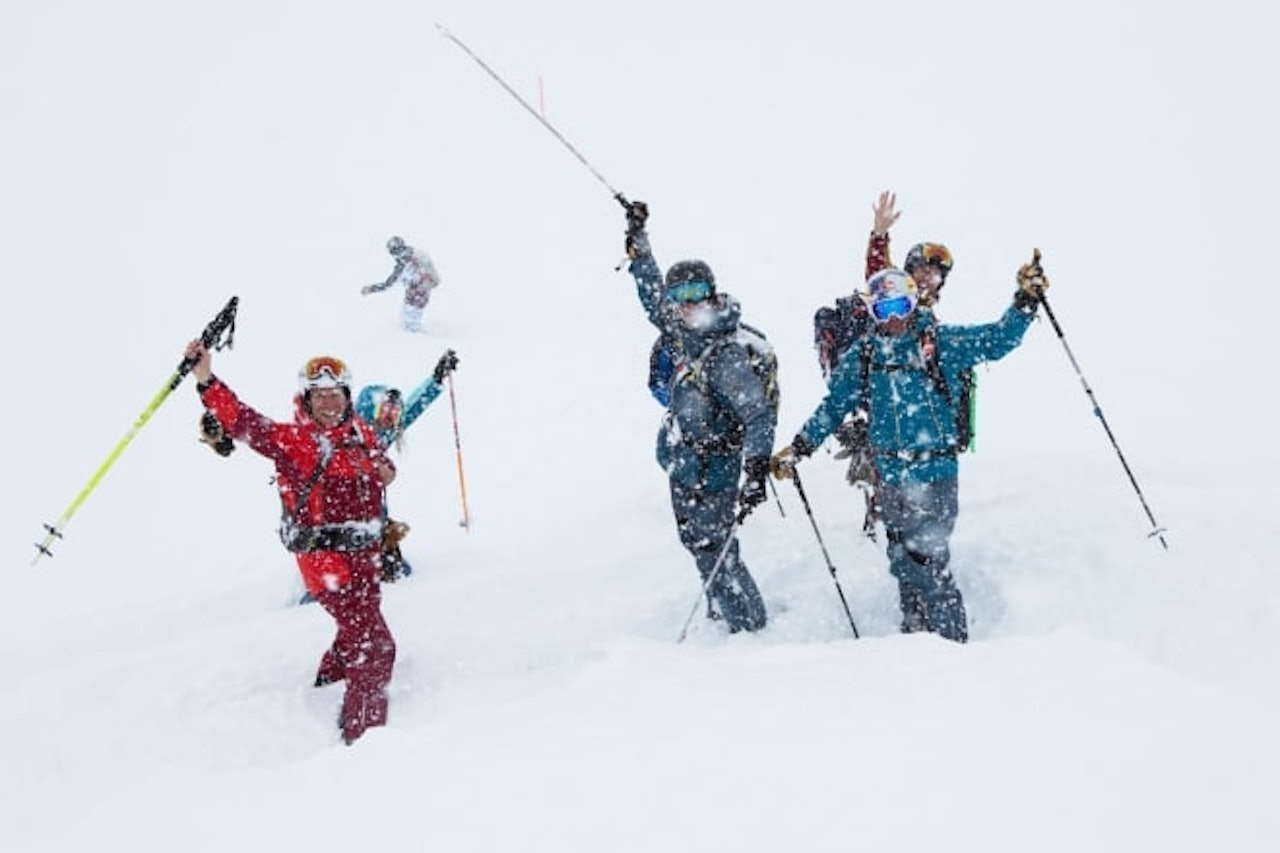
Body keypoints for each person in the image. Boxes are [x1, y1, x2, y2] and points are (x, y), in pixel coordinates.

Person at [772, 252, 1050, 642]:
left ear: (913, 301)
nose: (893, 318)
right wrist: (800, 446)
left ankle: (953, 647)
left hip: (934, 473)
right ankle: (915, 641)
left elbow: (997, 339)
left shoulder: (939, 342)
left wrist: (1024, 302)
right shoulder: (865, 355)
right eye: (882, 309)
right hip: (890, 475)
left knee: (929, 563)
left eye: (899, 305)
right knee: (901, 559)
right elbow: (834, 405)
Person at [186, 342, 398, 744]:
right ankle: (366, 739)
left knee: (359, 626)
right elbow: (243, 421)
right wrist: (206, 379)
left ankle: (328, 681)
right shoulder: (295, 441)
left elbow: (383, 467)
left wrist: (386, 471)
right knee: (375, 647)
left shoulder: (360, 432)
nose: (329, 403)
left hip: (366, 553)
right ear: (306, 399)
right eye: (320, 396)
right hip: (326, 561)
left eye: (336, 394)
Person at [623, 200, 775, 634]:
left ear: (711, 295)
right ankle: (726, 608)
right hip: (685, 462)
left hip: (717, 467)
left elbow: (757, 415)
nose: (686, 304)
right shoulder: (680, 330)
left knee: (714, 548)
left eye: (695, 294)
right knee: (698, 543)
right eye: (680, 296)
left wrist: (757, 468)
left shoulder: (727, 352)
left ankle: (748, 626)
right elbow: (652, 291)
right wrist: (638, 239)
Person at [813, 191, 959, 533]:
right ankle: (883, 534)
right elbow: (878, 273)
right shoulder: (894, 301)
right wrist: (879, 235)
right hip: (880, 411)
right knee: (888, 485)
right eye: (922, 269)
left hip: (912, 423)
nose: (927, 278)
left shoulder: (931, 324)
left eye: (935, 273)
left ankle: (892, 535)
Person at [353, 348, 460, 580]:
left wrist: (436, 379)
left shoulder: (386, 431)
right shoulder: (350, 431)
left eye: (395, 414)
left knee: (393, 566)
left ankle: (386, 568)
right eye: (385, 411)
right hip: (348, 513)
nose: (390, 418)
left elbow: (413, 407)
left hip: (374, 509)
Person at [361, 235, 441, 333]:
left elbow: (388, 285)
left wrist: (371, 289)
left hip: (414, 295)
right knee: (410, 321)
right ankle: (419, 341)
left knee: (410, 324)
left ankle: (422, 343)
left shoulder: (403, 264)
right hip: (424, 293)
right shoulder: (416, 254)